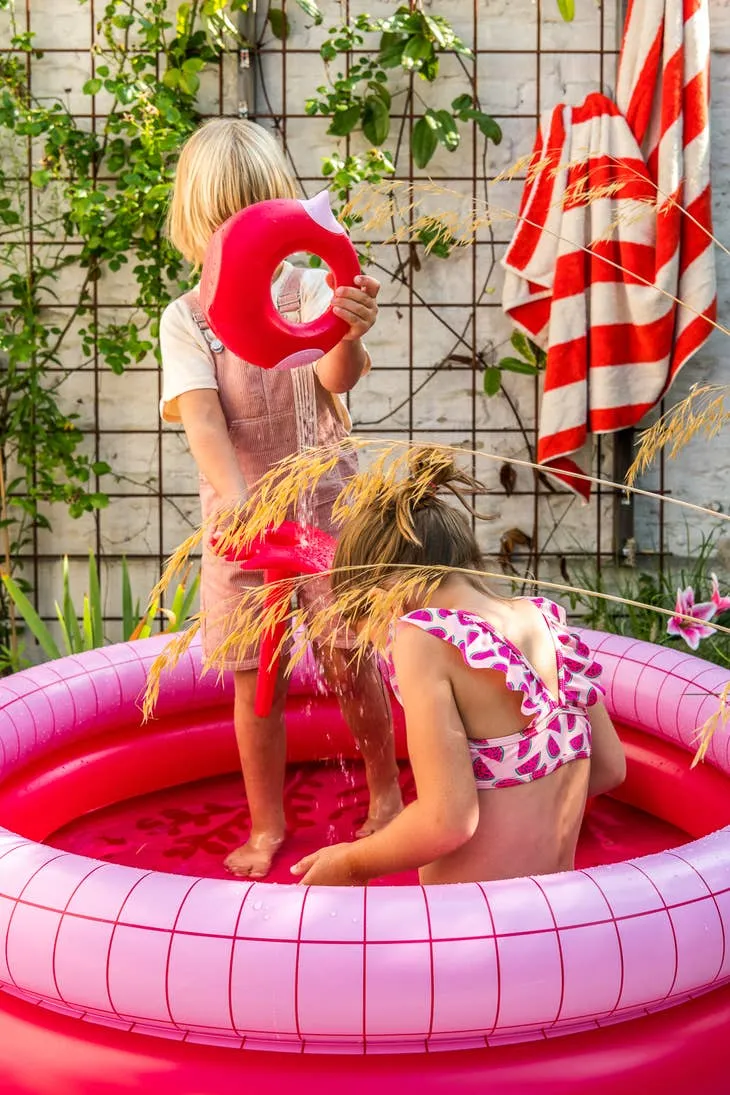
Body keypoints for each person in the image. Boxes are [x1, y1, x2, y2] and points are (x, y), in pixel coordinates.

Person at [160, 118, 402, 879]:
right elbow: (203, 418)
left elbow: (336, 381)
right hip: (245, 530)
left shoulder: (308, 292)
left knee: (350, 654)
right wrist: (236, 505)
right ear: (193, 224)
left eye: (254, 217)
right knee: (250, 678)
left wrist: (349, 331)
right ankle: (267, 822)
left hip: (326, 510)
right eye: (220, 223)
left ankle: (388, 793)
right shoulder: (187, 320)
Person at [291, 448, 626, 886]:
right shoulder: (545, 620)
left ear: (378, 596)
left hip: (471, 924)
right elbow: (609, 768)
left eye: (366, 629)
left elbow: (448, 821)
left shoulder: (422, 636)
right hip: (551, 918)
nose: (379, 647)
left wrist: (353, 861)